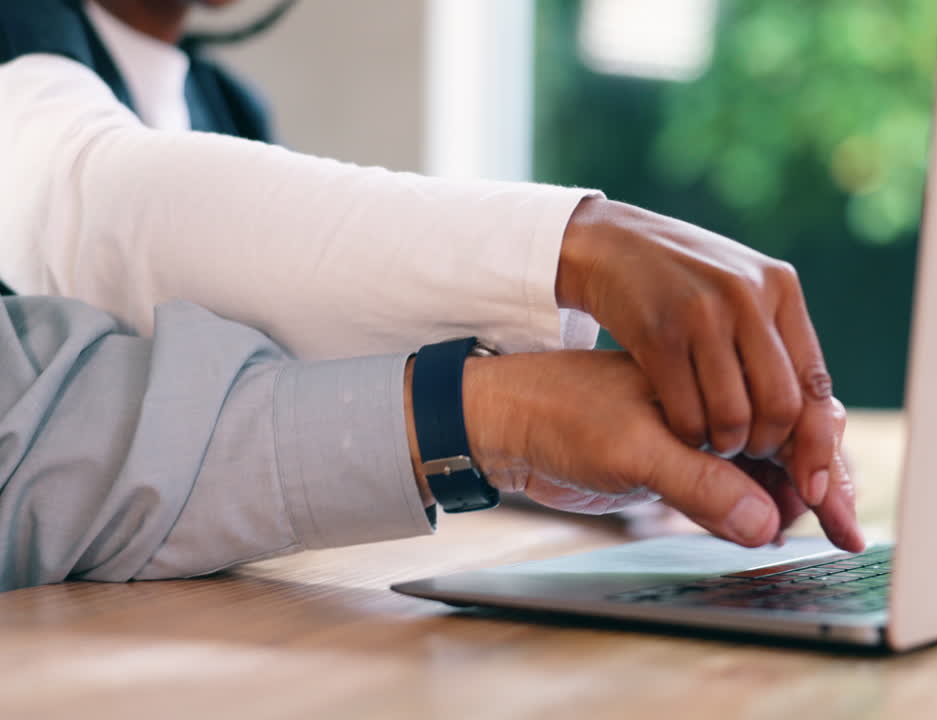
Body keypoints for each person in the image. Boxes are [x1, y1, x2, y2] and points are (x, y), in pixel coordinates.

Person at [0, 0, 864, 591]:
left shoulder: (219, 100)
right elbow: (87, 207)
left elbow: (295, 385)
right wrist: (579, 244)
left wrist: (563, 454)